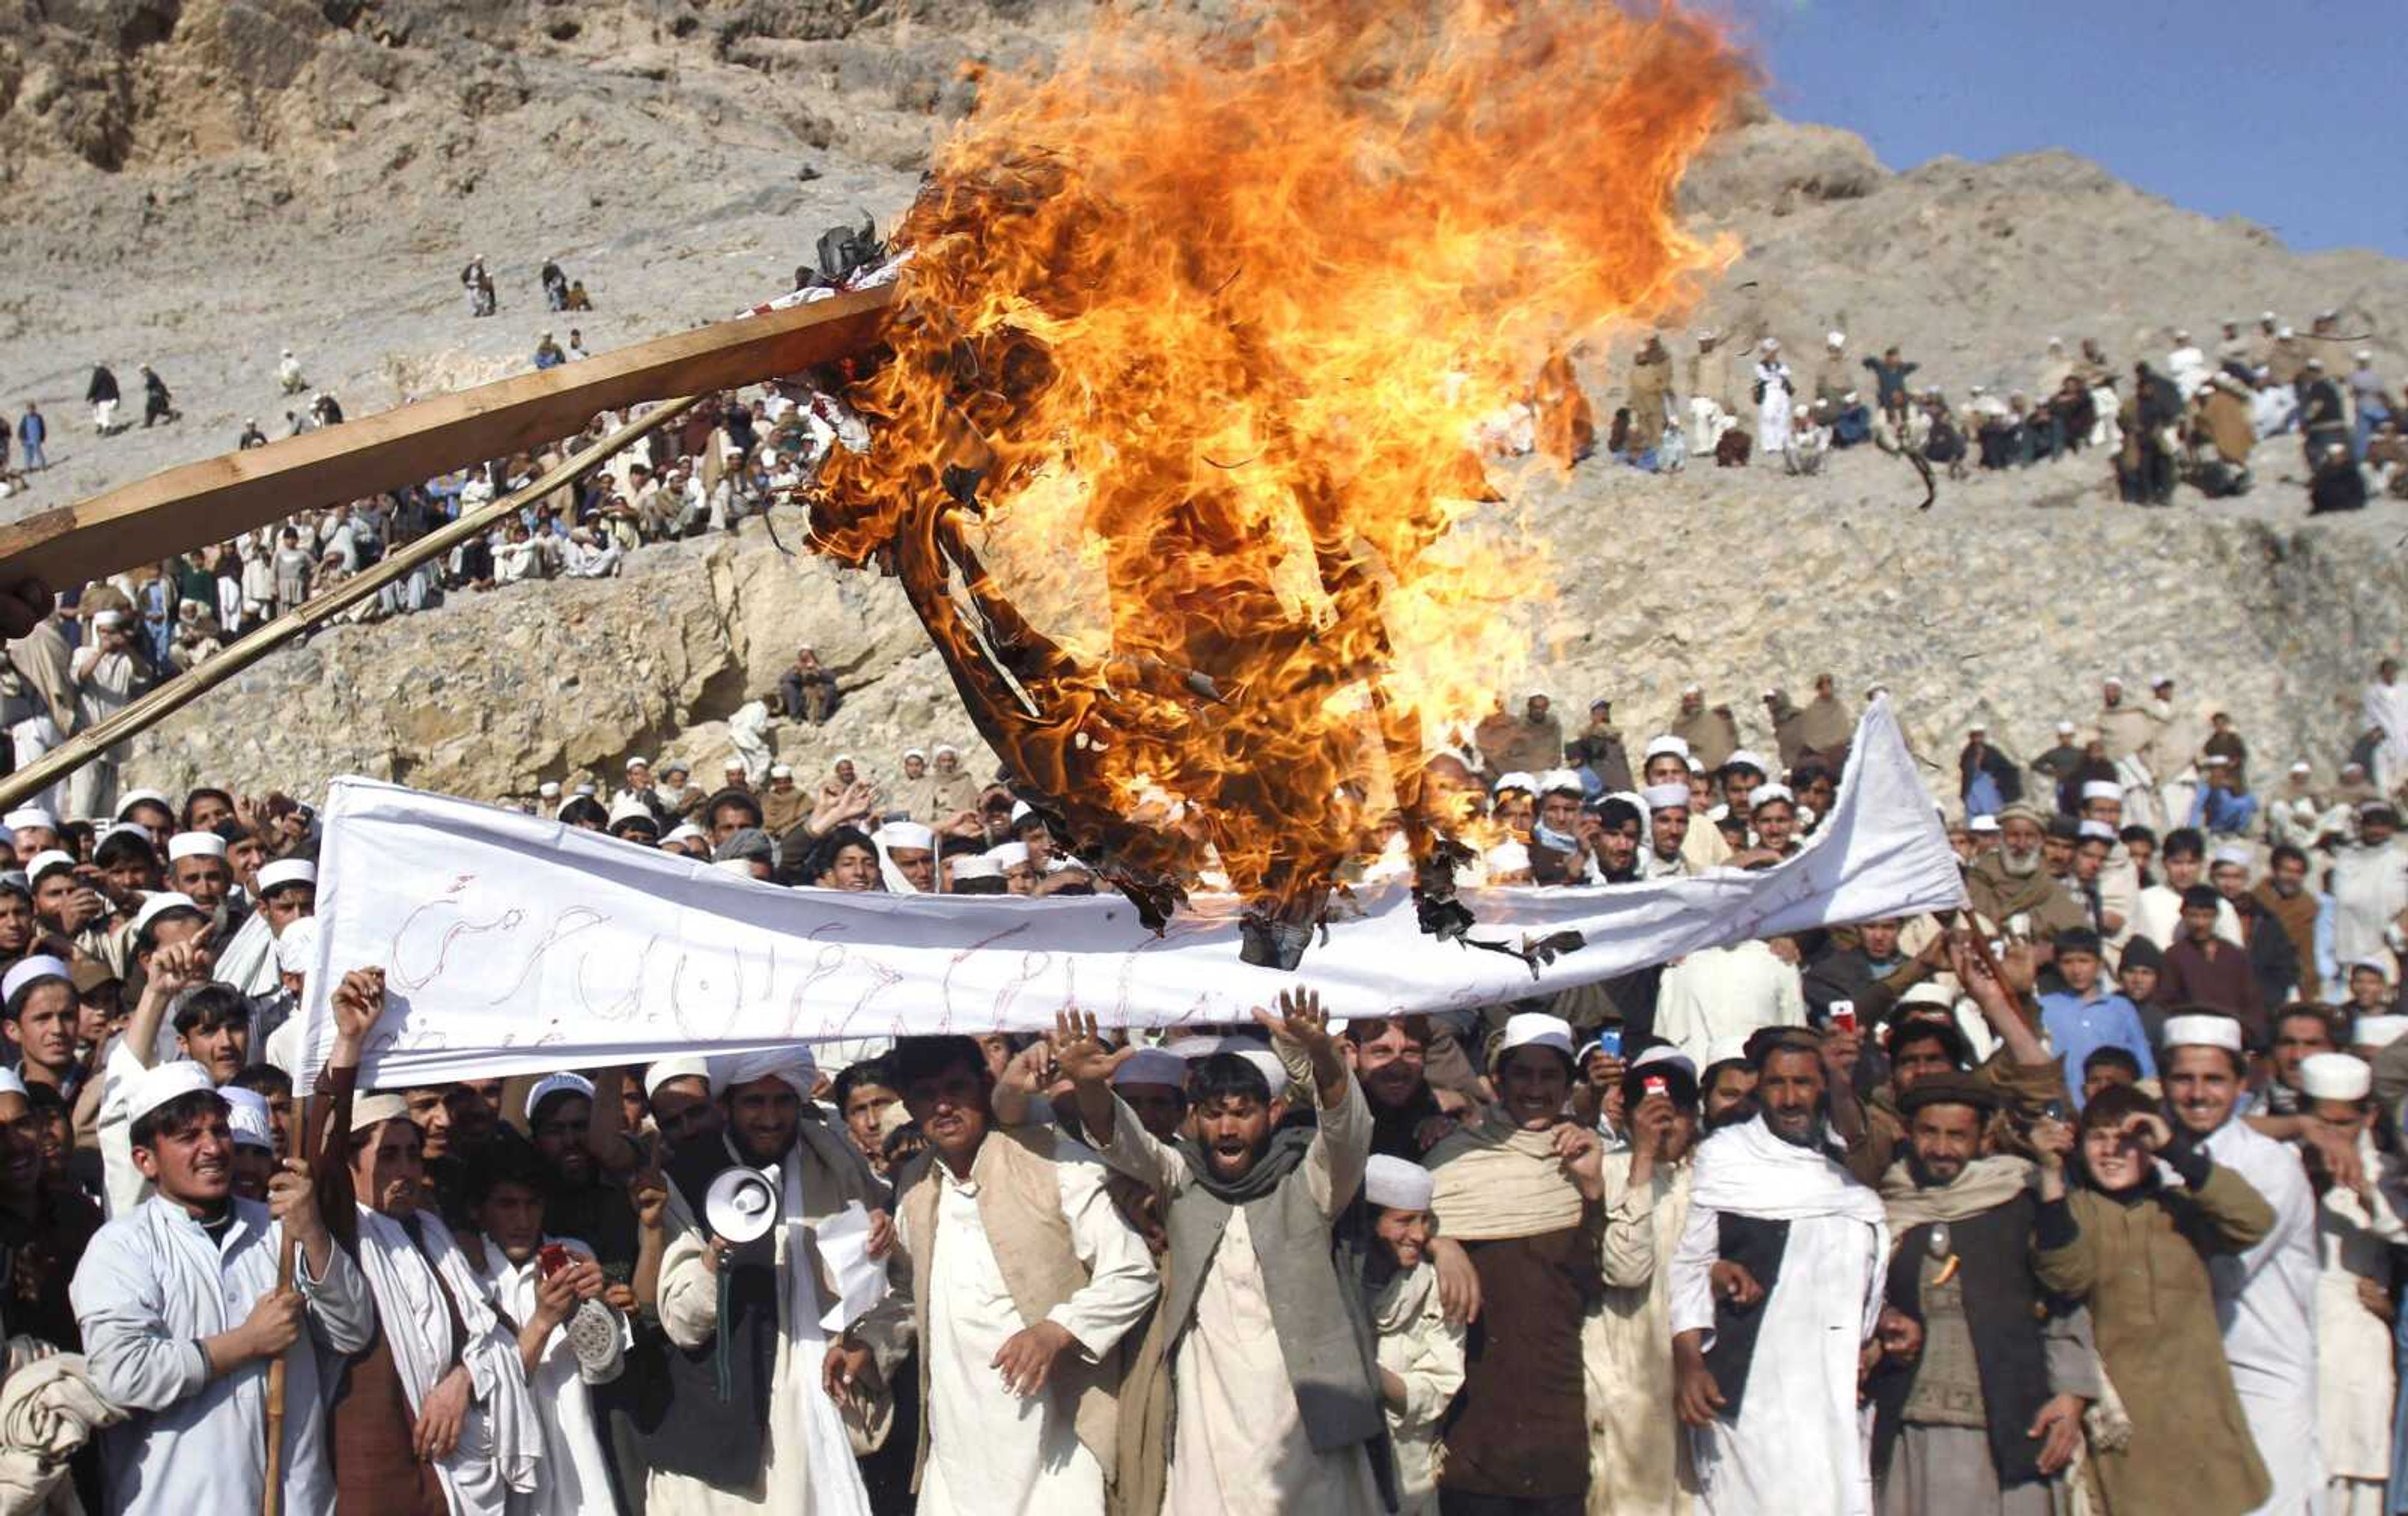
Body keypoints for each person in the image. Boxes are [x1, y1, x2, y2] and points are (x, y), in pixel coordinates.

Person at [1060, 992, 1390, 1516]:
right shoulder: (1181, 1176)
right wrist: (1088, 1084)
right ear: (1195, 1118)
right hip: (1209, 1414)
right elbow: (1122, 1142)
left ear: (1273, 1113)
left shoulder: (1309, 1181)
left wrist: (1326, 1060)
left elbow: (1348, 1135)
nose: (1229, 1128)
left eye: (1243, 1112)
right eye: (1215, 1114)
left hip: (1302, 1414)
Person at [844, 1033, 1158, 1516]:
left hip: (1054, 1435)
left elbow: (1133, 1273)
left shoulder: (1054, 1160)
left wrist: (1057, 1331)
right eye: (928, 1094)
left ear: (984, 1087)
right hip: (958, 1440)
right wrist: (870, 1344)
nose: (944, 1106)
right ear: (909, 1104)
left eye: (957, 1088)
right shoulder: (915, 1185)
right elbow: (911, 1294)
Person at [70, 1059, 376, 1513]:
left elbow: (353, 1330)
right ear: (145, 1160)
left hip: (293, 1500)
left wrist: (312, 1232)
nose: (212, 1147)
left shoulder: (279, 1228)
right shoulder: (120, 1248)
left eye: (219, 1130)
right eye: (188, 1137)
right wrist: (246, 1343)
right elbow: (122, 1376)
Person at [647, 1047, 886, 1514]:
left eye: (783, 1101)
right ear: (726, 1107)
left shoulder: (835, 1162)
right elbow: (681, 1322)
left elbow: (889, 1286)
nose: (771, 1117)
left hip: (824, 1404)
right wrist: (717, 1254)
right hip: (727, 1428)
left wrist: (871, 1343)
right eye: (755, 1102)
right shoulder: (691, 1177)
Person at [2032, 1080, 2274, 1515]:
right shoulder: (2077, 1211)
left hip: (2199, 1415)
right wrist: (2050, 1173)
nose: (2111, 1152)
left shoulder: (2181, 1208)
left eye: (2127, 1140)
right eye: (2098, 1138)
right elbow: (2065, 1277)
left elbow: (2254, 1220)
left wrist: (2174, 1148)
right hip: (2127, 1429)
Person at [1672, 1031, 1888, 1515]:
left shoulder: (1848, 1162)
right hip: (1752, 1390)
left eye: (1804, 1083)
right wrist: (1690, 1363)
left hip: (1834, 1384)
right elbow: (1688, 1264)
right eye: (1776, 1083)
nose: (1790, 1098)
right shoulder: (1728, 1155)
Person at [1867, 1075, 2091, 1515]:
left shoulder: (2016, 1200)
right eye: (1930, 1132)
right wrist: (1886, 1319)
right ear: (1910, 1133)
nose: (1942, 1148)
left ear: (1983, 1137)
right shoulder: (1890, 1208)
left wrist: (2071, 1395)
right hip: (1912, 1426)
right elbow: (1862, 1300)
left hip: (2007, 1422)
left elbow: (2067, 1292)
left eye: (1957, 1135)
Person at [1423, 1011, 1605, 1513]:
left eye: (1550, 1075)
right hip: (1475, 1421)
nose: (1535, 1087)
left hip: (1558, 1414)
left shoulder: (1589, 1156)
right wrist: (1440, 1243)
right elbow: (1400, 1236)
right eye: (1522, 1073)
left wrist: (1592, 1189)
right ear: (1497, 1080)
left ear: (1569, 1084)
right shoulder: (1452, 1159)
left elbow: (1603, 1278)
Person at [2162, 1011, 2323, 1515]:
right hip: (2180, 1379)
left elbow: (2224, 1275)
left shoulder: (2271, 1165)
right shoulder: (2152, 1156)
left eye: (2213, 1079)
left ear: (2240, 1082)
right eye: (2183, 1078)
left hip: (2263, 1381)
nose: (2198, 1093)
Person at [464, 1145, 629, 1516]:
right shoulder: (464, 1271)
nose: (522, 1219)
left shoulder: (571, 1256)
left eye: (532, 1204)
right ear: (478, 1210)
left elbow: (604, 1367)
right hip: (504, 1467)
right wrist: (543, 1319)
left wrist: (594, 1304)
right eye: (507, 1205)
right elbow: (479, 1389)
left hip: (577, 1460)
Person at [1589, 1049, 1703, 1514]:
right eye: (1651, 1115)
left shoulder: (1710, 1180)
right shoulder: (1608, 1171)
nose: (1664, 1126)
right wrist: (1642, 1158)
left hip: (1693, 1378)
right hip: (1625, 1379)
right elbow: (1626, 1269)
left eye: (1674, 1115)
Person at [2292, 1052, 2402, 1516]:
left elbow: (2400, 1230)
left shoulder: (2388, 1171)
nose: (2335, 1136)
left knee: (2359, 1466)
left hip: (2360, 1338)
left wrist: (2367, 1193)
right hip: (2294, 1336)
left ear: (2369, 1116)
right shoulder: (2284, 1162)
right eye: (2324, 1123)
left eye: (2346, 1124)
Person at [1353, 1154, 1462, 1516]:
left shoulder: (1437, 1289)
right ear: (1369, 1224)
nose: (1419, 1235)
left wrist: (1365, 1371)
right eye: (1403, 1221)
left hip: (1410, 1487)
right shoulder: (1335, 1286)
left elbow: (1437, 1389)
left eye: (1424, 1221)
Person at [87, 364, 120, 434]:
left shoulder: (97, 375)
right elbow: (115, 387)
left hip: (99, 398)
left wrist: (89, 396)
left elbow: (94, 386)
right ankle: (105, 427)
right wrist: (117, 398)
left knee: (99, 412)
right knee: (104, 413)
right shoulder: (110, 376)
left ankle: (104, 427)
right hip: (109, 397)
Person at [16, 401, 46, 470]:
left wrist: (43, 436)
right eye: (29, 409)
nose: (30, 410)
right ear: (27, 410)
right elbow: (21, 428)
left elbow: (42, 428)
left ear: (35, 409)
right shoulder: (25, 418)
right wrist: (21, 438)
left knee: (38, 452)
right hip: (27, 439)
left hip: (36, 438)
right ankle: (28, 467)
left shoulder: (38, 417)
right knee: (28, 454)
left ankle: (42, 465)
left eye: (32, 409)